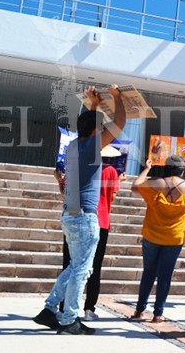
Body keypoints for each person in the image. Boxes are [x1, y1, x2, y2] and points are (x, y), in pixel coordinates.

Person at [33, 85, 126, 335]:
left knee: (75, 267)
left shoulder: (74, 146)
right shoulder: (92, 146)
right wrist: (117, 98)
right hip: (84, 217)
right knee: (81, 270)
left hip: (70, 215)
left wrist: (94, 104)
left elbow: (88, 125)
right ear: (95, 130)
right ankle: (69, 319)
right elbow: (120, 122)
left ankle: (50, 309)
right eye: (100, 127)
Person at [130, 156, 185, 322]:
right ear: (182, 171)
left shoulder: (155, 183)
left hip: (152, 234)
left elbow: (135, 186)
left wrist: (147, 169)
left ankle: (140, 310)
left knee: (148, 272)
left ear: (165, 168)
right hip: (174, 237)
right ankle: (158, 313)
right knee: (165, 275)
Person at [59, 152, 121, 321]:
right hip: (100, 220)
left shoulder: (76, 168)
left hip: (76, 219)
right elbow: (112, 197)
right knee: (94, 267)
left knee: (69, 264)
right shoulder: (110, 171)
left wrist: (58, 179)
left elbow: (65, 193)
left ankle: (63, 307)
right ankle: (89, 308)